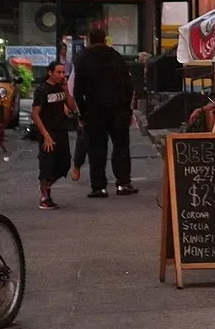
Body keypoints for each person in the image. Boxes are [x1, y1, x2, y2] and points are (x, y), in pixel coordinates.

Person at [72, 23, 137, 196]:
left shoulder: (83, 59)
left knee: (97, 149)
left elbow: (78, 90)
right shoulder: (116, 57)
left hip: (94, 111)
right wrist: (127, 109)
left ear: (90, 40)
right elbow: (129, 85)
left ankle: (99, 187)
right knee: (121, 147)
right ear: (104, 40)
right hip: (118, 111)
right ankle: (123, 183)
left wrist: (82, 112)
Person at [31, 59, 73, 208]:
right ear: (50, 73)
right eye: (58, 72)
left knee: (64, 163)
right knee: (47, 165)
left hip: (61, 130)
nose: (62, 75)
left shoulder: (61, 88)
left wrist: (66, 89)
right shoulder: (42, 90)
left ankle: (47, 187)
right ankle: (44, 196)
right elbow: (35, 114)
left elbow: (72, 107)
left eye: (63, 72)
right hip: (47, 132)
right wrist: (45, 135)